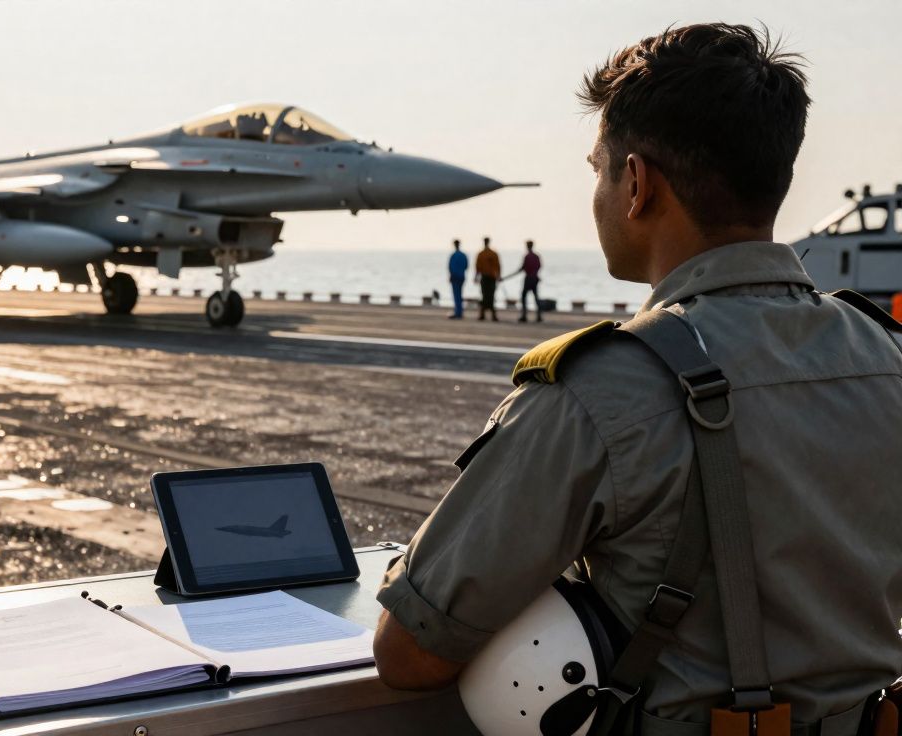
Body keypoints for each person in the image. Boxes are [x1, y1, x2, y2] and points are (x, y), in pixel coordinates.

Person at [373, 22, 902, 733]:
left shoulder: (607, 389)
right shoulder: (886, 354)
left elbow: (410, 652)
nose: (596, 190)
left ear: (635, 184)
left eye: (598, 168)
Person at [509, 239, 543, 322]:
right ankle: (539, 316)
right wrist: (535, 273)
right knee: (536, 297)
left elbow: (523, 267)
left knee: (524, 297)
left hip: (529, 279)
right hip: (535, 278)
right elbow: (539, 266)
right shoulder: (536, 256)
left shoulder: (527, 256)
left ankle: (524, 315)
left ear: (528, 246)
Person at [473, 237, 500, 321]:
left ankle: (484, 314)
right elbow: (497, 266)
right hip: (490, 277)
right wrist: (498, 276)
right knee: (489, 296)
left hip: (487, 277)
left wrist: (476, 277)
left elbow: (478, 267)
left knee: (486, 295)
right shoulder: (493, 253)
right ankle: (488, 315)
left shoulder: (482, 254)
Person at [447, 239, 468, 319]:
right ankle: (460, 312)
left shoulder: (453, 256)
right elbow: (466, 266)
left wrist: (452, 275)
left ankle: (457, 312)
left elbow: (450, 267)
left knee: (456, 295)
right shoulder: (463, 255)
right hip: (461, 276)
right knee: (460, 294)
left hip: (455, 277)